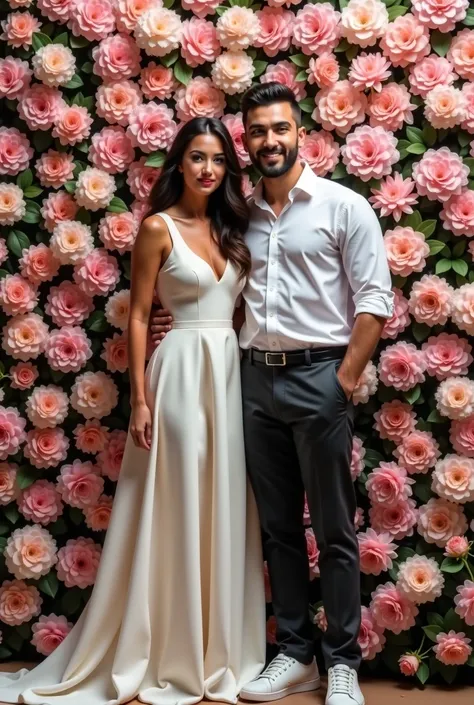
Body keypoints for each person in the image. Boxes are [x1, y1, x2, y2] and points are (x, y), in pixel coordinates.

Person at [0, 117, 266, 705]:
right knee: (176, 502)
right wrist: (140, 400)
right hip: (176, 379)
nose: (208, 169)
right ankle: (168, 648)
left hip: (227, 376)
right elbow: (141, 315)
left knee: (221, 501)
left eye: (218, 160)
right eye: (197, 157)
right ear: (179, 164)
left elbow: (241, 309)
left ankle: (215, 651)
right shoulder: (157, 228)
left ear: (228, 169)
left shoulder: (231, 229)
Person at [150, 83, 394, 705]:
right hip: (252, 380)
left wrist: (342, 382)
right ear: (247, 143)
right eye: (256, 132)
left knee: (334, 531)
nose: (269, 141)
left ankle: (340, 661)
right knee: (279, 529)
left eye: (279, 129)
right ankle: (293, 654)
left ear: (300, 132)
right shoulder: (240, 215)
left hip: (321, 378)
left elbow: (374, 302)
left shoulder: (344, 206)